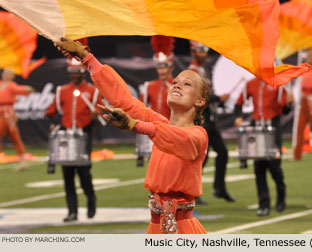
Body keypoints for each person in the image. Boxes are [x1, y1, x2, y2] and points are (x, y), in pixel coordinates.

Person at [55, 38, 209, 234]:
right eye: (175, 82)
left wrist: (136, 125)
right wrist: (87, 58)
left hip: (183, 228)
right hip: (155, 226)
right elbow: (125, 101)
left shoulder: (199, 134)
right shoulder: (159, 123)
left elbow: (182, 139)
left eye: (187, 84)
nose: (176, 85)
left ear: (200, 101)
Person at [45, 58, 101, 222]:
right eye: (72, 72)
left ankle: (91, 199)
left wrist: (94, 118)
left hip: (84, 135)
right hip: (66, 137)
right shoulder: (61, 90)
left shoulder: (92, 91)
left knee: (84, 173)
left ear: (82, 73)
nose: (74, 75)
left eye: (77, 72)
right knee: (67, 175)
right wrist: (55, 125)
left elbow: (98, 119)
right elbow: (50, 113)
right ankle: (72, 212)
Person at [234, 78, 291, 216]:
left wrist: (289, 102)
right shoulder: (251, 84)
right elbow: (238, 103)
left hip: (273, 129)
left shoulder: (278, 84)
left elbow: (285, 109)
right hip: (257, 129)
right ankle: (263, 204)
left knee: (275, 167)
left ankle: (281, 196)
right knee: (259, 168)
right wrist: (238, 116)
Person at [189, 41, 234, 203]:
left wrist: (218, 101)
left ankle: (219, 188)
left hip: (210, 118)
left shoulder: (202, 70)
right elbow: (197, 95)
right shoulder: (193, 71)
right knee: (202, 157)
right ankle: (192, 192)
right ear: (193, 52)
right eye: (200, 51)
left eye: (205, 51)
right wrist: (217, 98)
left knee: (222, 152)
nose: (204, 54)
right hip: (201, 119)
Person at [136, 35, 174, 166]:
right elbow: (141, 111)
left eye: (164, 67)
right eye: (159, 67)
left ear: (171, 67)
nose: (162, 71)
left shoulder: (176, 86)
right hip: (154, 133)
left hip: (172, 132)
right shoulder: (149, 86)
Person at [0, 68, 34, 171]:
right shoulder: (1, 83)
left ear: (12, 76)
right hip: (1, 112)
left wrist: (28, 89)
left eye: (8, 74)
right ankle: (22, 161)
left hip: (8, 113)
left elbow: (23, 89)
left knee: (14, 135)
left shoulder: (11, 85)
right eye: (5, 73)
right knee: (12, 135)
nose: (5, 75)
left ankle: (22, 161)